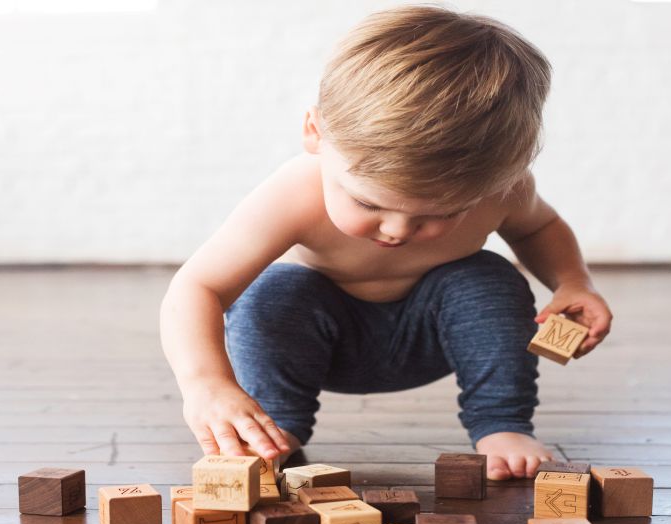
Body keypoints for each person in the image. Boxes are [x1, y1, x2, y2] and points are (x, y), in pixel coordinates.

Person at [159, 5, 612, 480]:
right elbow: (197, 288)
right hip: (319, 343)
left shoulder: (503, 187)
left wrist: (574, 281)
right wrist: (206, 383)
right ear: (316, 133)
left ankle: (502, 424)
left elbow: (539, 228)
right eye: (368, 204)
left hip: (436, 337)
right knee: (270, 292)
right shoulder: (294, 193)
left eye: (439, 214)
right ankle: (273, 427)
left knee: (488, 278)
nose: (396, 231)